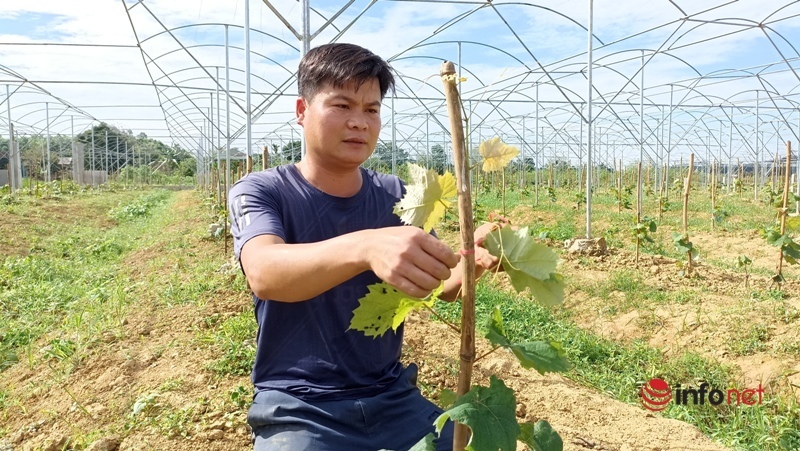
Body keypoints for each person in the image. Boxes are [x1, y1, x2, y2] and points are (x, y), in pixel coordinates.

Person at [229, 43, 499, 451]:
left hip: (393, 398)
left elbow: (439, 288)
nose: (359, 122)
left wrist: (468, 261)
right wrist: (366, 247)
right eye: (342, 105)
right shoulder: (263, 190)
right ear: (302, 111)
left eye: (372, 110)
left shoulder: (395, 195)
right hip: (299, 405)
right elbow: (265, 272)